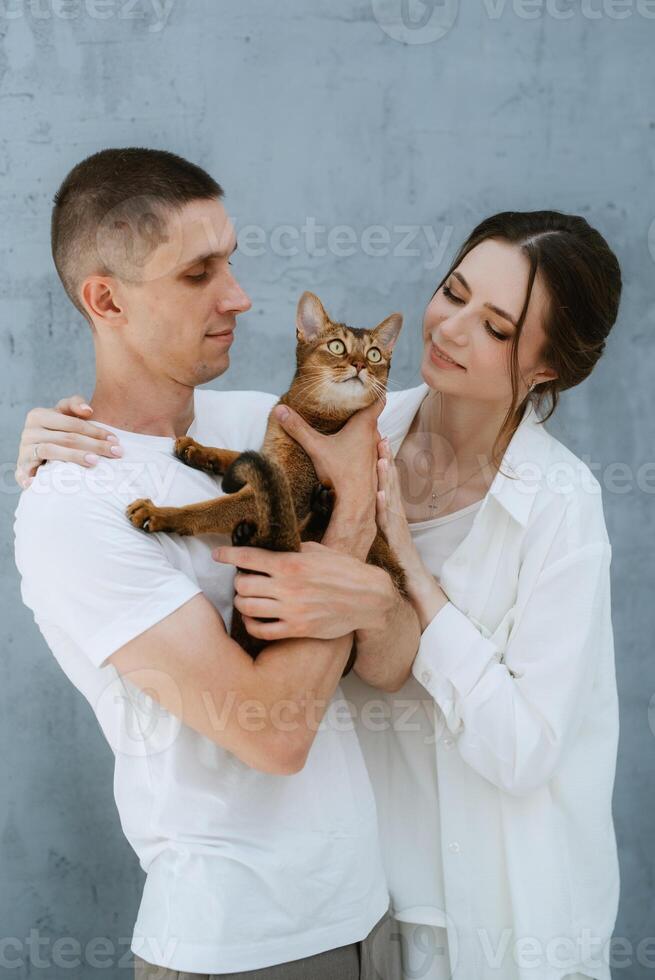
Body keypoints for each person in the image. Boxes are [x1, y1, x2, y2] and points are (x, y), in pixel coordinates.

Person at [16, 196, 622, 979]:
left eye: (496, 328)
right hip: (363, 908)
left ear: (546, 367)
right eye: (454, 293)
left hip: (496, 911)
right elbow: (152, 430)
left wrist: (394, 598)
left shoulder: (557, 504)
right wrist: (45, 431)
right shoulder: (331, 425)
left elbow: (525, 752)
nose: (448, 329)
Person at [13, 147, 421, 980]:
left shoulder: (260, 423)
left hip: (368, 918)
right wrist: (345, 522)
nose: (237, 296)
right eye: (199, 272)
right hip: (237, 949)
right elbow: (270, 737)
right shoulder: (73, 507)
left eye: (230, 260)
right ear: (106, 299)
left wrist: (374, 599)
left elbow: (393, 657)